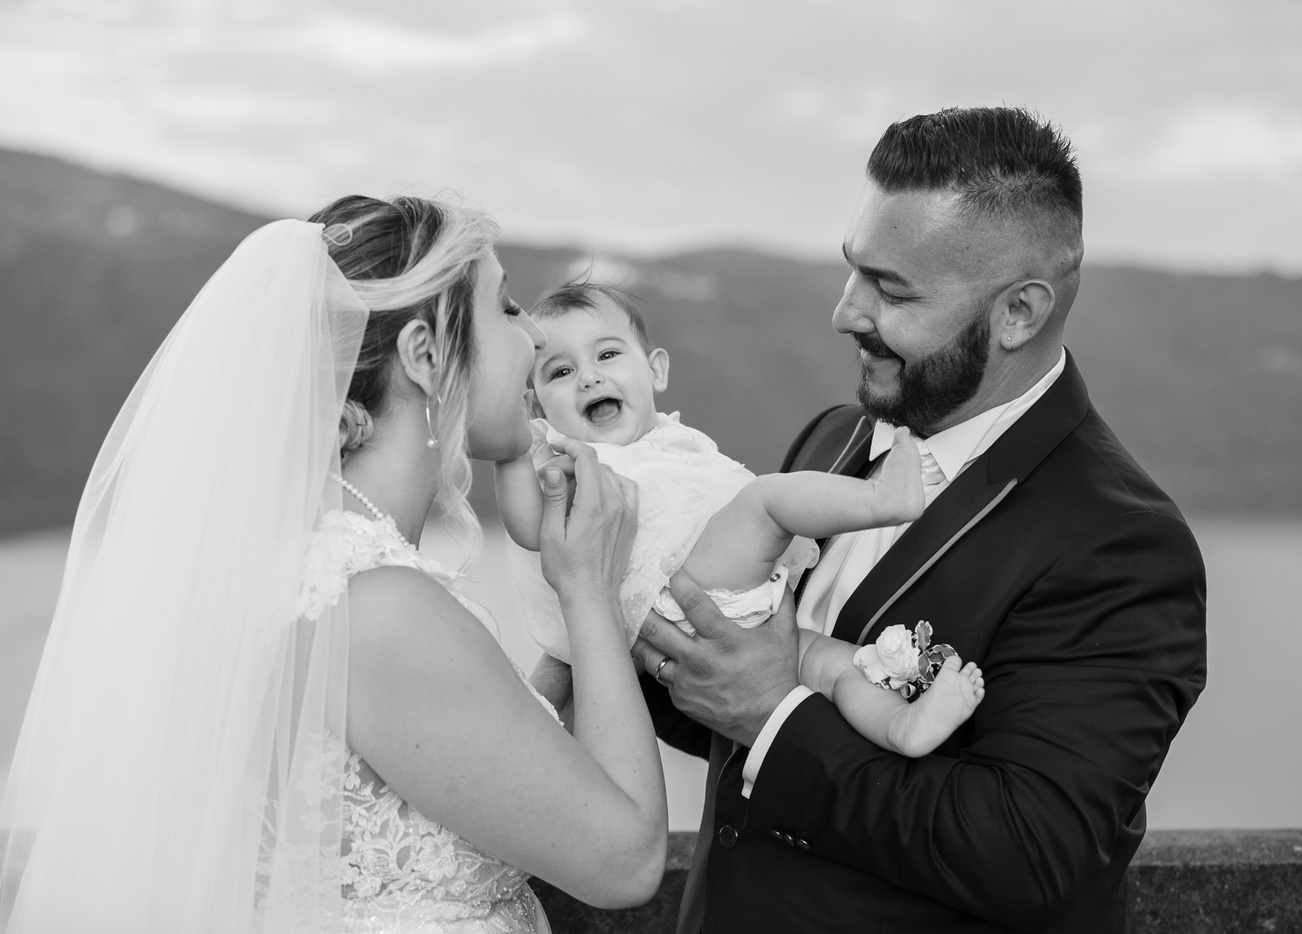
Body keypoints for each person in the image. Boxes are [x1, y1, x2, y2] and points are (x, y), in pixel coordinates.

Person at [0, 195, 668, 933]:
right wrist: (589, 589)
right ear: (425, 355)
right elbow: (627, 862)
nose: (535, 335)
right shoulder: (378, 604)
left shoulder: (305, 572)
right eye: (506, 309)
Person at [632, 107, 1209, 933]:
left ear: (1019, 312)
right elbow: (734, 716)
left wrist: (774, 714)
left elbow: (1029, 853)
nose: (846, 313)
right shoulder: (833, 439)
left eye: (891, 289)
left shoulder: (1121, 545)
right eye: (853, 270)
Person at [494, 283, 986, 758]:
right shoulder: (571, 462)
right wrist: (511, 452)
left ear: (656, 370)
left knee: (832, 664)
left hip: (730, 607)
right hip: (684, 592)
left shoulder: (670, 443)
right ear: (535, 406)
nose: (588, 378)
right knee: (765, 500)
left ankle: (901, 726)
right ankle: (881, 500)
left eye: (606, 355)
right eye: (560, 372)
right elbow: (528, 525)